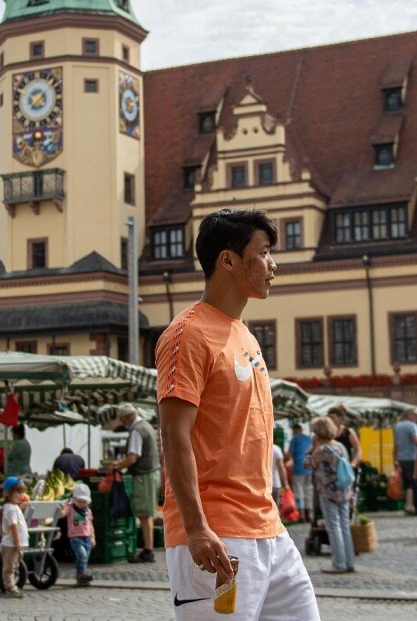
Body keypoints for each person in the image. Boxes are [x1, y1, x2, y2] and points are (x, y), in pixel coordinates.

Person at [156, 209, 319, 620]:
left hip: (268, 529)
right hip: (217, 534)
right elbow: (174, 437)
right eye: (263, 253)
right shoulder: (186, 334)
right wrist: (195, 528)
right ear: (227, 260)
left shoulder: (243, 333)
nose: (273, 265)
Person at [305, 416, 356, 574]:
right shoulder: (340, 446)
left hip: (328, 492)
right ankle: (349, 561)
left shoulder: (321, 450)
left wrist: (311, 449)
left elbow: (308, 464)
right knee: (345, 526)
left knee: (333, 526)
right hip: (344, 490)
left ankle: (339, 563)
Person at [111, 403, 161, 564]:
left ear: (127, 417)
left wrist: (116, 466)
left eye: (121, 419)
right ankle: (148, 548)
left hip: (143, 475)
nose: (122, 422)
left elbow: (133, 457)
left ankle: (148, 550)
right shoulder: (146, 425)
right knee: (148, 513)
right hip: (152, 473)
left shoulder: (136, 430)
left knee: (144, 513)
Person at [1, 476, 29, 599]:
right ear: (8, 493)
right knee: (9, 568)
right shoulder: (11, 509)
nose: (21, 495)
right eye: (18, 492)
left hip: (16, 544)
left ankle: (12, 586)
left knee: (13, 565)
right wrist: (18, 542)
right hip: (11, 544)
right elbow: (14, 527)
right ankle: (10, 588)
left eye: (22, 492)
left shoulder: (13, 507)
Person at [62, 483, 96, 585]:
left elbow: (90, 524)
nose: (81, 504)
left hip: (87, 537)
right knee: (82, 555)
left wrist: (93, 537)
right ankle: (82, 574)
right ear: (74, 500)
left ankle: (81, 576)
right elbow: (62, 514)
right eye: (79, 501)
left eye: (84, 501)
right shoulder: (70, 508)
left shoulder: (88, 511)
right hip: (75, 537)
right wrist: (63, 505)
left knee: (84, 558)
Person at [286, 424, 313, 523]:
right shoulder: (309, 438)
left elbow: (289, 454)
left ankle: (302, 515)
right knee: (309, 491)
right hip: (309, 468)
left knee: (299, 491)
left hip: (298, 468)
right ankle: (310, 514)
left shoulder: (294, 439)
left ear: (296, 430)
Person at [393, 409, 417, 515]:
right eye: (415, 415)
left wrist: (395, 459)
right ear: (409, 415)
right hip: (412, 457)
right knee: (413, 482)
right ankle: (410, 506)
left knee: (407, 482)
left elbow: (396, 445)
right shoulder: (411, 426)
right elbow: (415, 440)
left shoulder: (397, 426)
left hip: (401, 458)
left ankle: (408, 505)